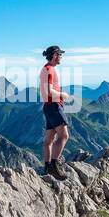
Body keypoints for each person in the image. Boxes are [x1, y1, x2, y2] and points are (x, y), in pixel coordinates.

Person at [40, 45, 72, 179]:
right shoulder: (49, 70)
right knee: (64, 136)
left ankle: (47, 166)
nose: (61, 57)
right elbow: (48, 91)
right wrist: (62, 95)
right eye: (60, 55)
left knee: (49, 139)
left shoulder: (47, 69)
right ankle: (53, 165)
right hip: (53, 106)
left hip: (49, 106)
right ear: (55, 55)